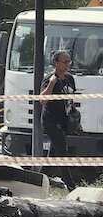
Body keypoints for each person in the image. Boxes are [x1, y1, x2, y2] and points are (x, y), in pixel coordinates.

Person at [41, 50, 78, 189]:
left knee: (53, 153)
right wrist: (51, 84)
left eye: (69, 61)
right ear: (56, 63)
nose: (68, 64)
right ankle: (71, 186)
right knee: (62, 151)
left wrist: (74, 116)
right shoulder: (49, 79)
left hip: (64, 121)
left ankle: (39, 179)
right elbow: (42, 100)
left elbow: (70, 99)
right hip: (51, 121)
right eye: (65, 61)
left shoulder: (70, 79)